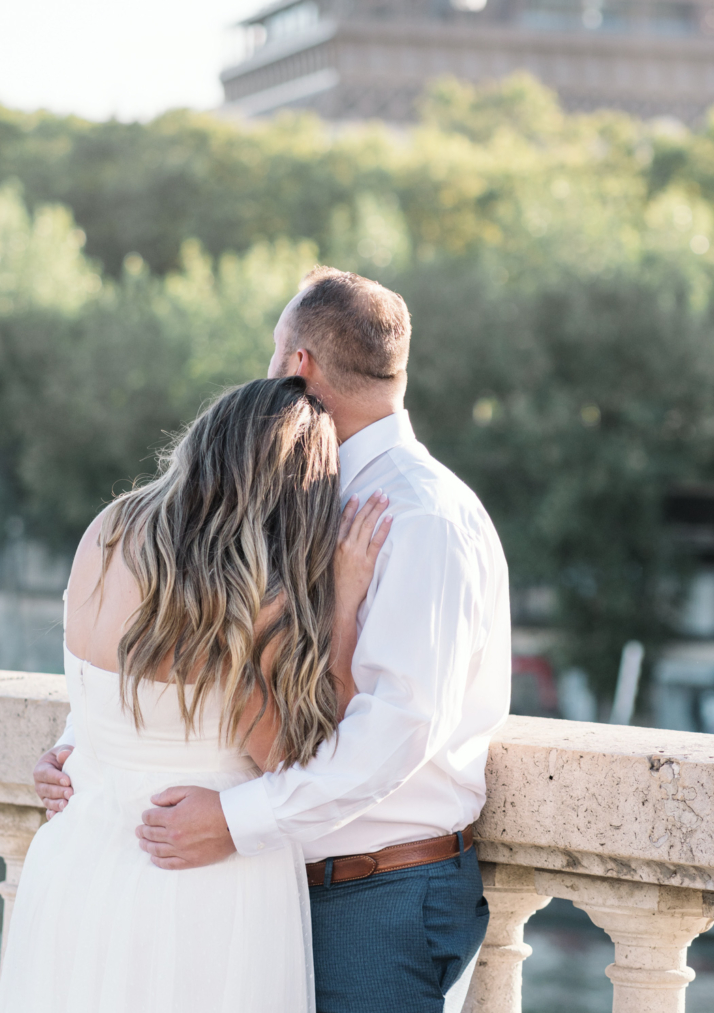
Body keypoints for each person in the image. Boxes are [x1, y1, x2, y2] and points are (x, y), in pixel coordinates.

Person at [35, 267, 512, 1013]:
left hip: (368, 892)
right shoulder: (274, 496)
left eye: (271, 349)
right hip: (256, 873)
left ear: (299, 366)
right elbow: (182, 647)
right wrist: (88, 746)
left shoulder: (421, 519)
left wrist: (235, 820)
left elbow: (396, 729)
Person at [2, 374, 391, 1013]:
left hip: (75, 862)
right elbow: (294, 758)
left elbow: (96, 685)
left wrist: (73, 744)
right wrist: (343, 606)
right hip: (191, 885)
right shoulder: (246, 601)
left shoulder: (108, 530)